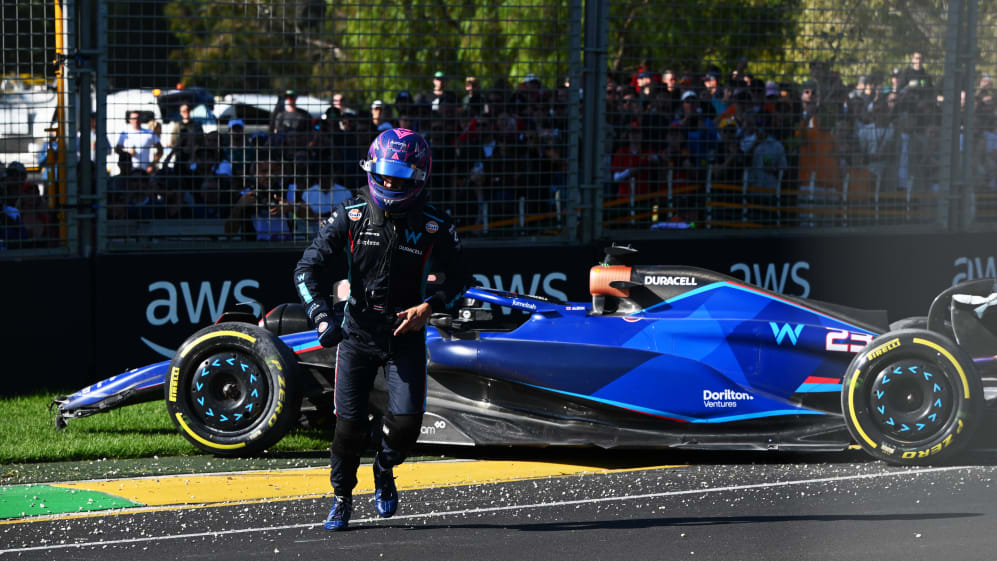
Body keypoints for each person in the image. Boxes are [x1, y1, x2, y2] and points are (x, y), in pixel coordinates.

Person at [293, 128, 467, 531]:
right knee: (348, 430)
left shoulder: (436, 224)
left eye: (399, 179)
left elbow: (460, 281)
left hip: (405, 337)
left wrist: (431, 306)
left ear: (419, 178)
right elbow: (306, 268)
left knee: (407, 427)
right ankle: (341, 497)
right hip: (356, 335)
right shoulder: (350, 213)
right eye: (384, 176)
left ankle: (385, 467)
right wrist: (321, 315)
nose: (389, 185)